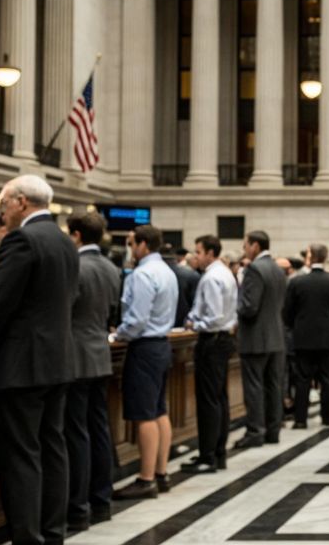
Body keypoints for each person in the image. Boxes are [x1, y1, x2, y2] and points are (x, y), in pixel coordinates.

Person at [0, 175, 78, 544]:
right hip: (58, 362)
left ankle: (28, 539)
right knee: (53, 449)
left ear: (21, 203)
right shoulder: (64, 241)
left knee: (22, 456)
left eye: (3, 203)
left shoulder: (21, 239)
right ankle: (52, 534)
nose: (1, 211)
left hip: (22, 365)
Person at [111, 225, 179, 500]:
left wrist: (119, 334)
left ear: (143, 245)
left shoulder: (142, 274)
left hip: (144, 347)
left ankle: (146, 478)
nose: (130, 249)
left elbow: (137, 320)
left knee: (144, 414)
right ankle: (161, 473)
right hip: (162, 345)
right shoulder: (166, 271)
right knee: (159, 410)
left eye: (131, 244)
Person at [64, 211, 122, 534]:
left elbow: (66, 308)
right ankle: (102, 500)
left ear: (75, 236)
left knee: (76, 432)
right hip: (100, 354)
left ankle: (78, 507)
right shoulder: (111, 268)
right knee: (98, 428)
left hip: (75, 356)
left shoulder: (76, 267)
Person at [182, 234, 239, 473]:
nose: (196, 256)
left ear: (209, 253)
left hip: (212, 341)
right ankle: (217, 451)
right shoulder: (225, 273)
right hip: (224, 340)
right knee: (219, 398)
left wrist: (196, 325)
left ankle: (208, 456)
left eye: (198, 251)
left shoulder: (212, 277)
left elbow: (214, 317)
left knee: (209, 401)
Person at [233, 230, 288, 449]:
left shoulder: (254, 268)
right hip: (275, 336)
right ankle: (273, 430)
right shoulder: (277, 267)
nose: (244, 249)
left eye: (246, 245)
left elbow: (249, 307)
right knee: (273, 386)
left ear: (255, 246)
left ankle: (255, 431)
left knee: (254, 386)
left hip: (256, 337)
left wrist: (235, 308)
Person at [283, 243, 329, 428]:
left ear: (310, 257)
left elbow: (287, 312)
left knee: (302, 380)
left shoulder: (297, 282)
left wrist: (296, 327)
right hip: (328, 337)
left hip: (303, 338)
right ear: (325, 257)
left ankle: (300, 420)